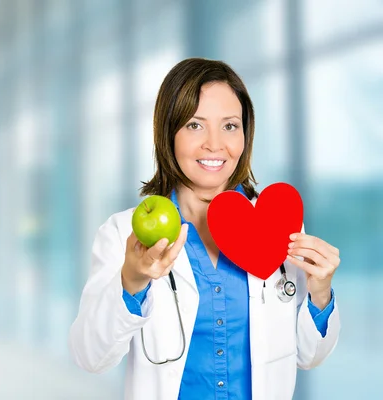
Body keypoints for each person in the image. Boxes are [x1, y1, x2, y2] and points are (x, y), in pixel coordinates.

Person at [68, 58, 340, 400]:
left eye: (229, 126)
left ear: (246, 134)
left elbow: (308, 356)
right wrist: (132, 281)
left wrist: (321, 292)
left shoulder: (279, 226)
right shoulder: (126, 234)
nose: (215, 144)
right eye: (195, 126)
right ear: (168, 132)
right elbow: (90, 357)